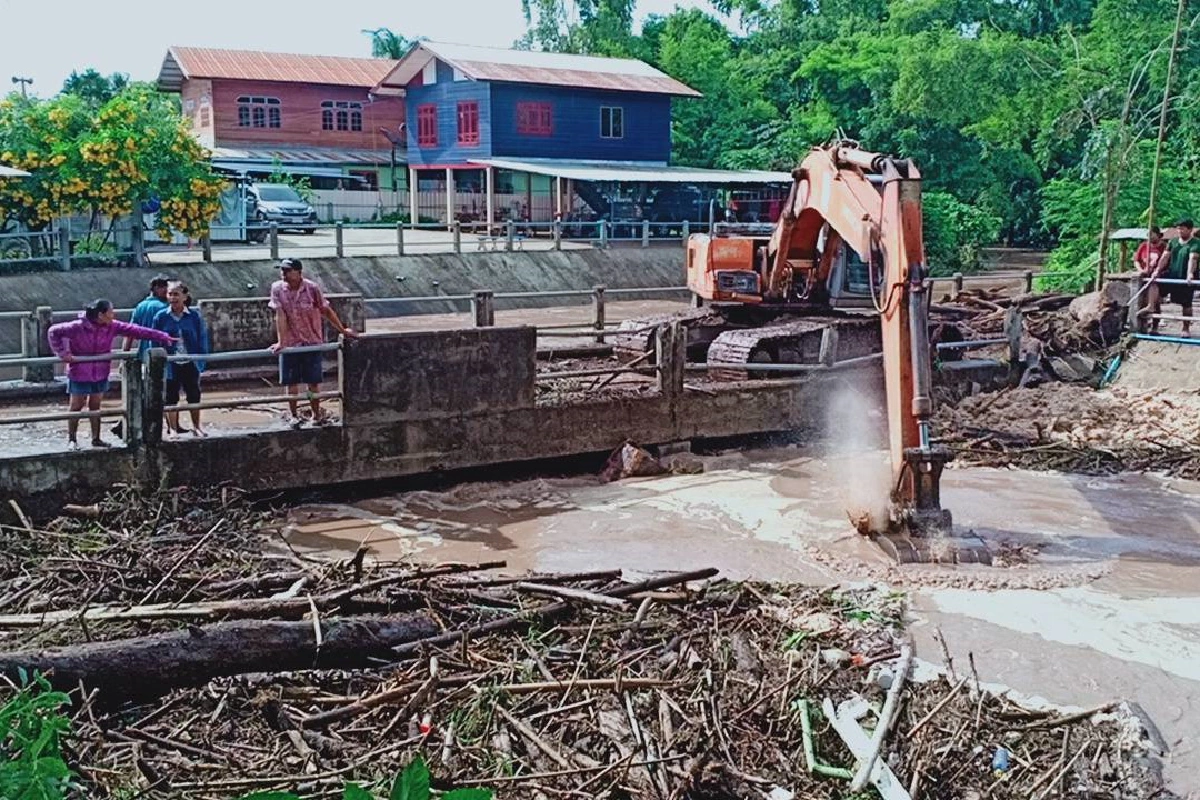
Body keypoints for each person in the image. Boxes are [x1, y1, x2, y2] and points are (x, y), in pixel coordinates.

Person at [48, 299, 175, 449]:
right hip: (80, 370)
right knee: (76, 405)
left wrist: (162, 336)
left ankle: (96, 438)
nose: (113, 315)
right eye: (110, 312)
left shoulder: (111, 326)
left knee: (95, 405)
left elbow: (136, 330)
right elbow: (53, 332)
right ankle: (72, 439)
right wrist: (63, 353)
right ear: (101, 315)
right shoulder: (77, 327)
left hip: (100, 370)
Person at [269, 258, 357, 427]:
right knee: (291, 382)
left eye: (288, 270)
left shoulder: (312, 289)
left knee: (313, 383)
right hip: (291, 343)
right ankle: (293, 414)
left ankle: (315, 414)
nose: (284, 274)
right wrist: (282, 342)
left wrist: (342, 329)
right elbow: (280, 316)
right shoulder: (277, 289)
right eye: (282, 271)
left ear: (298, 272)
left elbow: (325, 310)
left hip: (311, 341)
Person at [152, 281, 210, 437]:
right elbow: (155, 340)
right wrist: (159, 362)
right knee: (171, 396)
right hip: (170, 363)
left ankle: (197, 426)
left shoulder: (194, 316)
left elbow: (202, 339)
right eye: (170, 294)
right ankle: (172, 428)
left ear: (185, 296)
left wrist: (201, 361)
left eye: (176, 294)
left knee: (194, 394)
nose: (172, 297)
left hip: (190, 361)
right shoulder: (161, 317)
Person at [1150, 218, 1200, 335]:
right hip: (1172, 273)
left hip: (1185, 276)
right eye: (1178, 229)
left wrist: (1190, 274)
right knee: (1155, 288)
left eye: (1182, 229)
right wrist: (1157, 270)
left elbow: (1193, 259)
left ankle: (1185, 328)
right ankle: (1154, 324)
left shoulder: (1196, 243)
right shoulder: (1173, 242)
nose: (1179, 231)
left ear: (1189, 229)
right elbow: (1165, 257)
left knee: (1186, 303)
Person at [125, 275, 171, 356]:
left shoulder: (140, 306)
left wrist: (125, 353)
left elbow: (130, 333)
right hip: (162, 354)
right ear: (156, 288)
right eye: (166, 287)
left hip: (144, 354)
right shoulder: (165, 307)